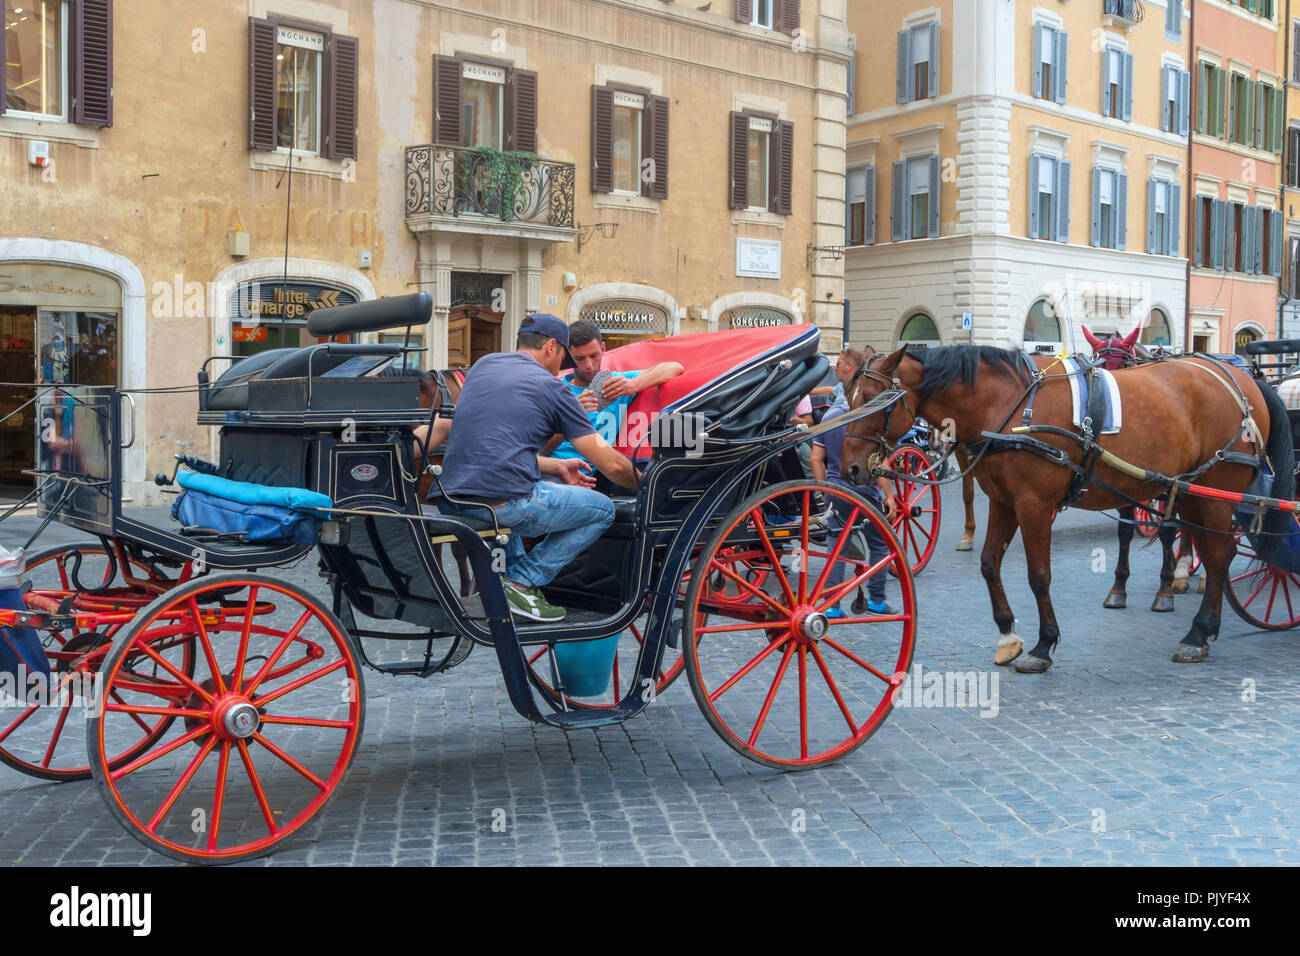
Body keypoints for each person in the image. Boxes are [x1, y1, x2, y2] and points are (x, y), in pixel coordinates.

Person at [435, 314, 637, 622]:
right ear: (551, 347)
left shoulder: (483, 367)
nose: (564, 368)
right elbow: (611, 465)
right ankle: (522, 581)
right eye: (564, 358)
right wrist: (647, 484)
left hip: (450, 499)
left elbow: (496, 447)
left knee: (514, 494)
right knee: (603, 510)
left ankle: (510, 587)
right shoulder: (553, 388)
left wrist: (555, 466)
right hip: (501, 503)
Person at [549, 320, 684, 487]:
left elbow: (674, 367)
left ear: (603, 349)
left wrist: (633, 385)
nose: (589, 365)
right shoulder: (554, 390)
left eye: (594, 356)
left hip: (587, 480)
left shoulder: (615, 384)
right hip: (551, 474)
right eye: (579, 359)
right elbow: (536, 450)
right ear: (567, 356)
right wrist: (569, 416)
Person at [810, 403, 898, 617]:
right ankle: (877, 600)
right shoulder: (867, 417)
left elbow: (815, 458)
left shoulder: (829, 417)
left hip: (835, 490)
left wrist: (824, 490)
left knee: (836, 548)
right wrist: (889, 496)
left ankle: (832, 604)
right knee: (880, 545)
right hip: (863, 492)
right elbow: (880, 463)